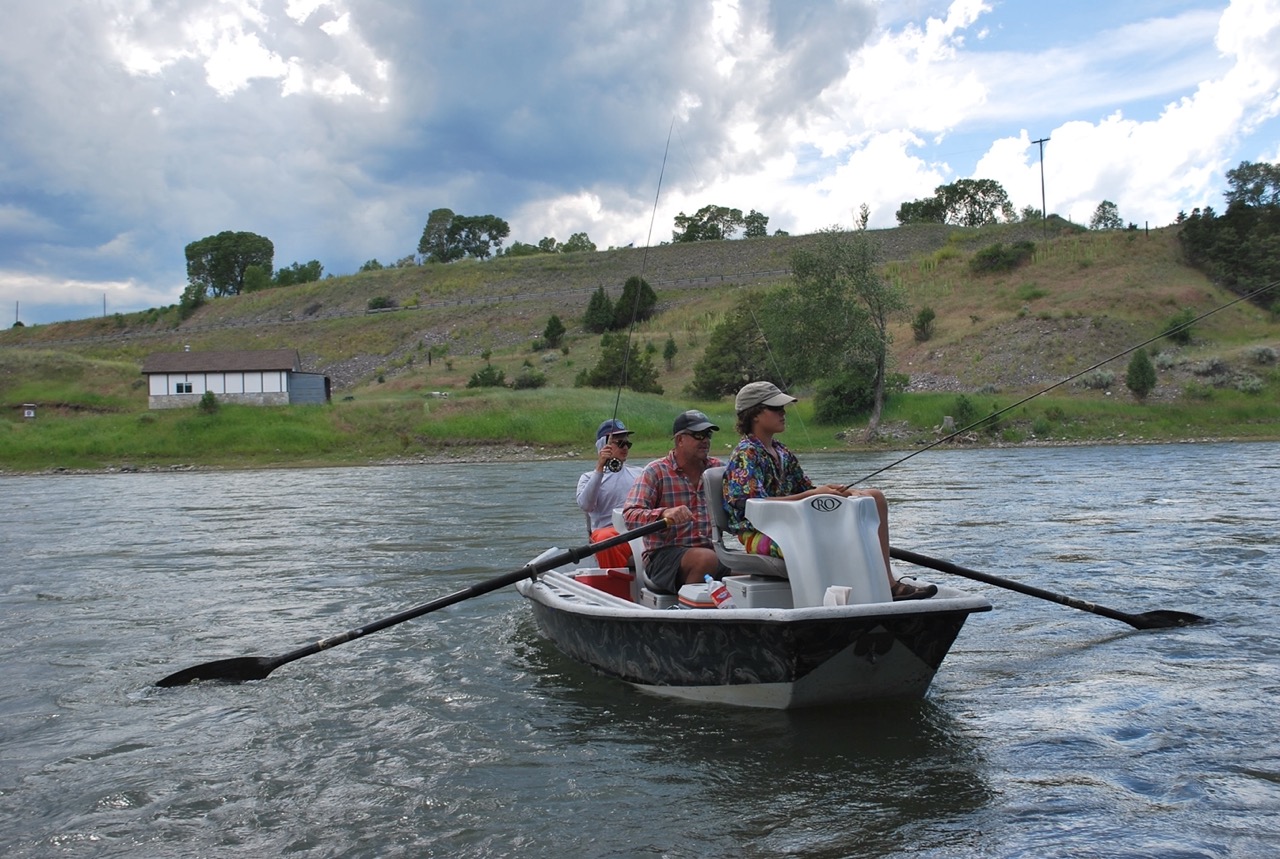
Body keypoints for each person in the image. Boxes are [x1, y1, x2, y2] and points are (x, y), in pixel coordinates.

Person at [722, 381, 937, 601]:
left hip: (794, 525)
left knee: (875, 498)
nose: (783, 413)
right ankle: (822, 600)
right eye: (776, 408)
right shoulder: (745, 454)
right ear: (755, 414)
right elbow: (749, 504)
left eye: (782, 408)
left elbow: (807, 489)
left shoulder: (781, 451)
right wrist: (813, 495)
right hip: (758, 533)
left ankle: (887, 584)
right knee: (823, 538)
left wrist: (840, 493)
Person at [622, 409, 731, 594]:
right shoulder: (655, 471)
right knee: (705, 559)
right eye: (698, 435)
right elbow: (630, 516)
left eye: (708, 434)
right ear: (680, 440)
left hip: (712, 551)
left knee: (755, 570)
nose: (705, 440)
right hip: (662, 558)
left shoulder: (718, 469)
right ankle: (689, 615)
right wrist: (664, 513)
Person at [576, 418, 644, 569]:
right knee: (604, 538)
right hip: (609, 535)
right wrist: (600, 467)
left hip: (639, 531)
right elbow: (586, 505)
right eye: (619, 443)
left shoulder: (640, 473)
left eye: (627, 443)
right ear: (603, 445)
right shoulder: (588, 478)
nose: (625, 447)